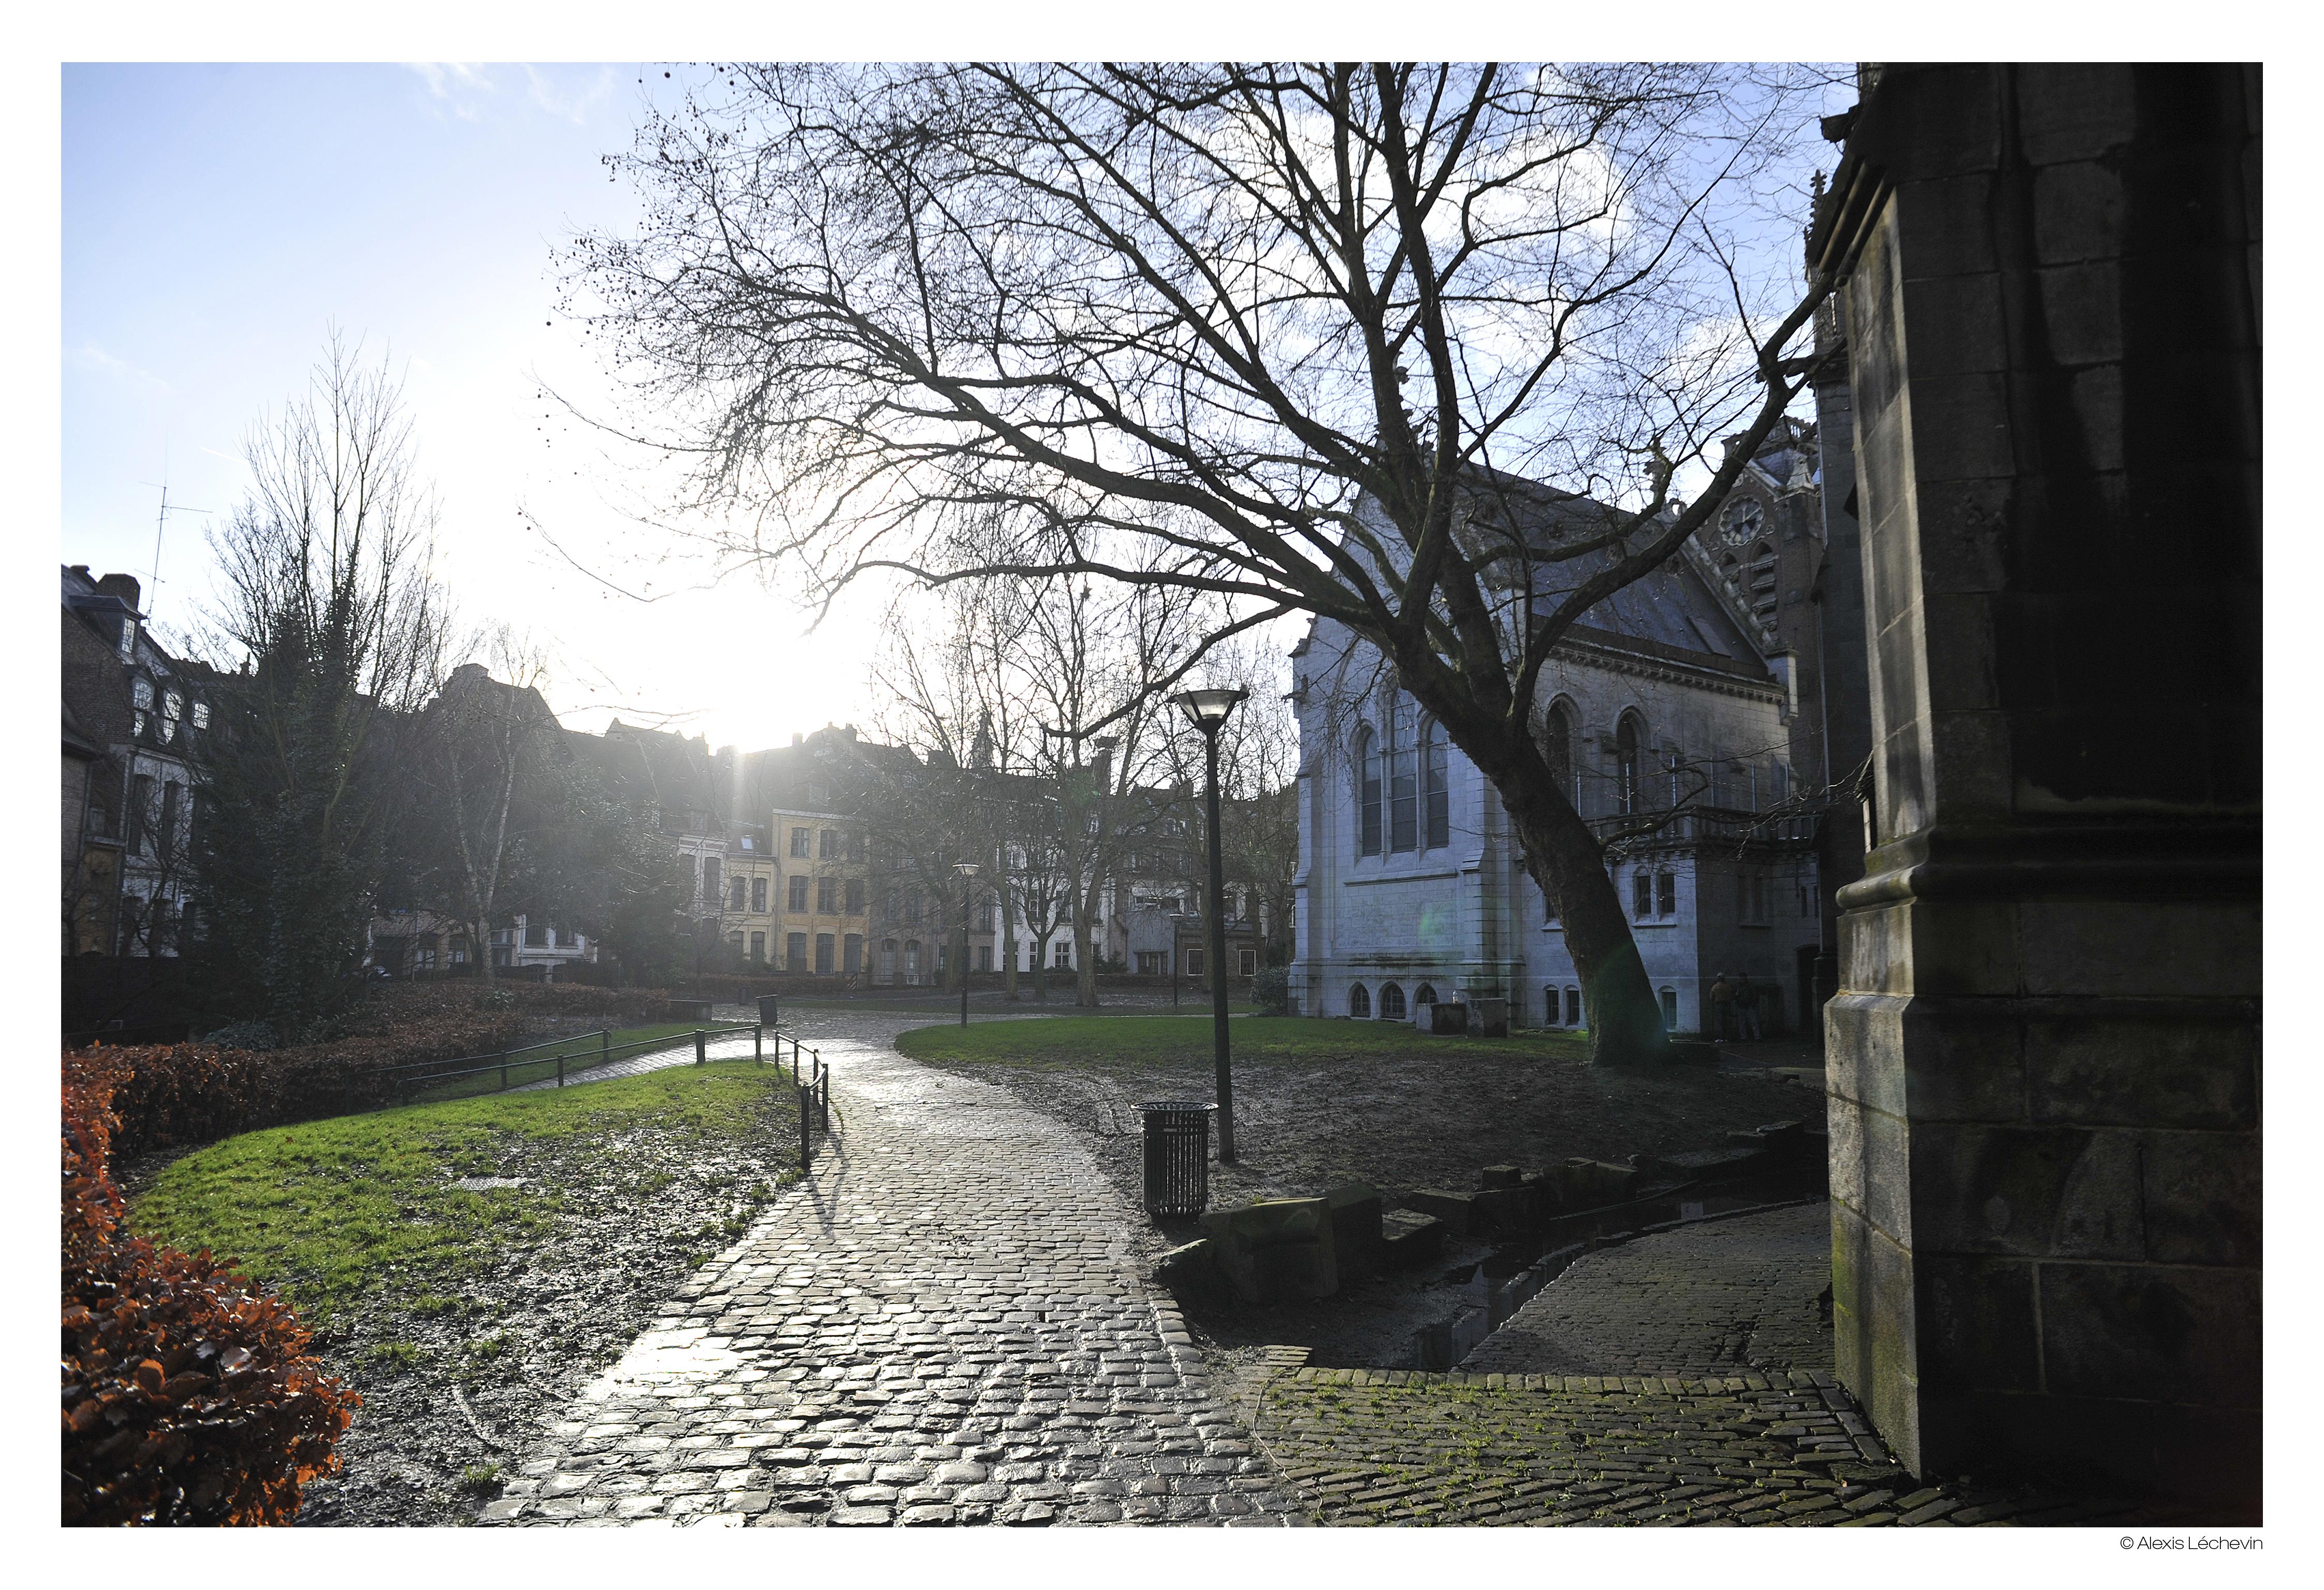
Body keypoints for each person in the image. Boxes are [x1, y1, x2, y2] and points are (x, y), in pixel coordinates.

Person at [1708, 971, 1736, 1041]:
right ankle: (1728, 1037)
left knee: (1720, 1021)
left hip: (1719, 1005)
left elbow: (1712, 997)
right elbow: (1732, 996)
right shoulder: (1728, 986)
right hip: (1727, 1004)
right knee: (1728, 1021)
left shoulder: (1715, 987)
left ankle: (1721, 1037)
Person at [1737, 973, 1763, 1041]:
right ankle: (1756, 1036)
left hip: (1747, 1005)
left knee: (1750, 1022)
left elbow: (1754, 995)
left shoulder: (1740, 987)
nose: (1742, 979)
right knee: (1751, 1022)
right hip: (1745, 1005)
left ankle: (1746, 1037)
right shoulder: (1749, 986)